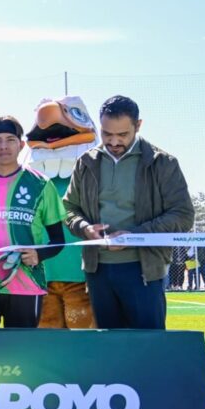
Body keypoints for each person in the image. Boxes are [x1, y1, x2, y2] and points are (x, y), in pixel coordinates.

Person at [63, 95, 195, 329]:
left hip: (143, 270)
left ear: (138, 125)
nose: (113, 141)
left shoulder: (162, 162)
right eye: (106, 133)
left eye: (122, 134)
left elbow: (183, 216)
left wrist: (134, 236)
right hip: (98, 271)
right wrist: (84, 228)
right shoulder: (86, 162)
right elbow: (69, 209)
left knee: (148, 348)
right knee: (109, 350)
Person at [0, 117, 67, 328]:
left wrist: (38, 254)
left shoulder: (41, 185)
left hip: (26, 284)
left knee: (22, 352)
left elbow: (58, 240)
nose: (3, 146)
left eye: (10, 139)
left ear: (21, 144)